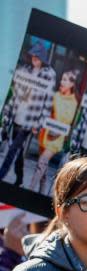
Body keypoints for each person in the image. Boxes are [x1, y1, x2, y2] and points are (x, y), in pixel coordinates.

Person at [0, 39, 56, 187]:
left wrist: (39, 124)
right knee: (17, 151)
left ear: (43, 57)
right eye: (32, 55)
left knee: (12, 149)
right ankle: (19, 179)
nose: (34, 58)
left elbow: (47, 103)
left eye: (37, 56)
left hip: (30, 121)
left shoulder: (49, 75)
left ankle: (1, 174)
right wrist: (7, 115)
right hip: (17, 115)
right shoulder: (25, 70)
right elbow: (16, 94)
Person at [29, 68, 79, 194]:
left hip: (56, 138)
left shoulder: (73, 102)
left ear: (72, 84)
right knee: (43, 169)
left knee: (41, 163)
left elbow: (66, 122)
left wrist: (56, 131)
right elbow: (46, 112)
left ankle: (28, 191)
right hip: (44, 134)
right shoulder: (55, 95)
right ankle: (41, 194)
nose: (62, 82)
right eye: (62, 79)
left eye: (66, 80)